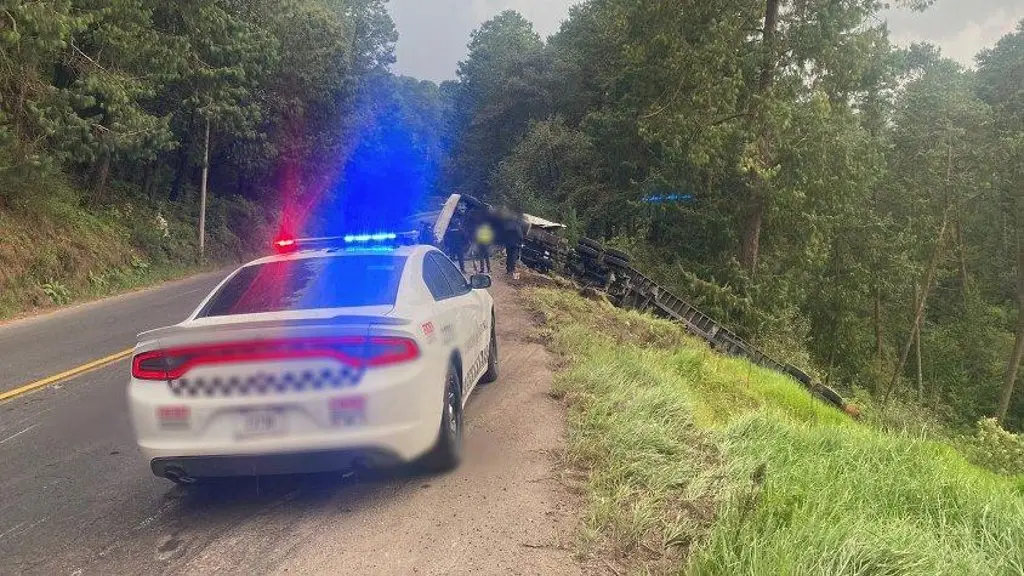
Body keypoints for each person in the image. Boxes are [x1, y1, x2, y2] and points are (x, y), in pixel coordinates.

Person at [504, 215, 526, 279]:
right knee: (513, 259)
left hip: (509, 245)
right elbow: (521, 237)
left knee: (509, 257)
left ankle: (508, 270)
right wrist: (521, 244)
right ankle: (511, 271)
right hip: (514, 246)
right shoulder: (518, 227)